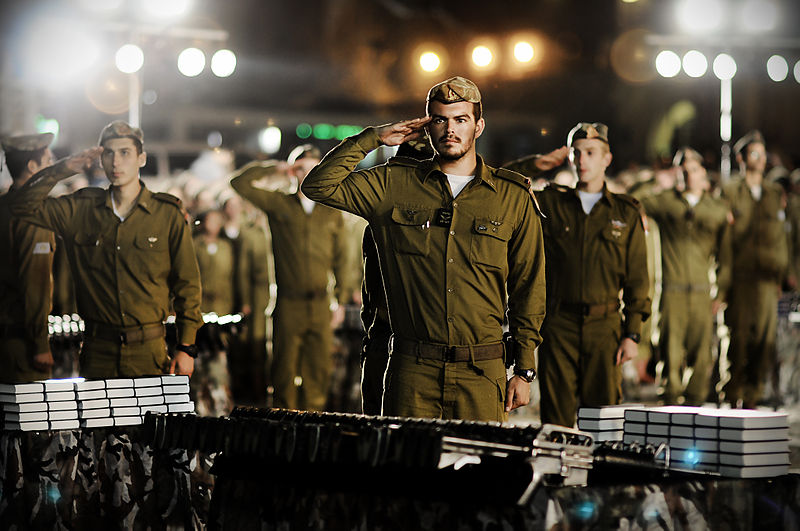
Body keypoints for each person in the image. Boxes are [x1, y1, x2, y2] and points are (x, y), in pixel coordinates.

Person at [301, 76, 546, 422]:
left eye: (461, 119)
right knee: (406, 474)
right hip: (412, 372)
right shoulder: (393, 185)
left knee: (478, 472)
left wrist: (524, 368)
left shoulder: (512, 197)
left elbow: (529, 286)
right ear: (427, 126)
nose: (450, 129)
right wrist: (373, 138)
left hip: (481, 370)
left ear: (479, 126)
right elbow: (318, 185)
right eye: (440, 119)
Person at [8, 121, 202, 378]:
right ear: (100, 159)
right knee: (98, 419)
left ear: (141, 159)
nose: (115, 162)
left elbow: (187, 284)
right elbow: (21, 205)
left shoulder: (166, 215)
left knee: (146, 419)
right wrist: (62, 169)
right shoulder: (80, 209)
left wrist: (186, 346)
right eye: (108, 153)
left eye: (125, 153)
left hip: (149, 350)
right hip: (98, 351)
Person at [536, 122, 650, 428]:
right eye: (576, 153)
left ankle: (600, 478)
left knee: (603, 421)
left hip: (605, 327)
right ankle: (555, 476)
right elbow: (507, 186)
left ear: (606, 159)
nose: (582, 160)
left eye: (590, 152)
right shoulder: (550, 205)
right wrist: (536, 164)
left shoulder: (626, 213)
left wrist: (632, 333)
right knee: (555, 422)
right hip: (558, 327)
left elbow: (638, 278)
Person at [230, 146, 349, 411]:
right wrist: (274, 168)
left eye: (313, 169)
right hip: (288, 304)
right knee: (283, 375)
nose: (307, 175)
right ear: (292, 172)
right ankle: (283, 437)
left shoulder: (331, 210)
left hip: (320, 304)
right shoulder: (279, 203)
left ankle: (313, 435)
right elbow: (239, 183)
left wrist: (340, 300)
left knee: (318, 375)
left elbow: (342, 257)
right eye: (301, 169)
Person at [639, 147, 732, 405]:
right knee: (669, 353)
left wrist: (721, 291)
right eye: (682, 169)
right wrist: (656, 180)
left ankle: (695, 407)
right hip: (671, 291)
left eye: (692, 169)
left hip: (702, 292)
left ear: (703, 174)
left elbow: (725, 256)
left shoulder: (716, 209)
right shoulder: (665, 201)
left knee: (702, 355)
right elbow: (633, 201)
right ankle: (669, 404)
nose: (687, 174)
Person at [721, 130, 789, 408]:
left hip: (766, 279)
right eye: (754, 154)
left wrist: (782, 276)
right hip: (740, 277)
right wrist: (723, 284)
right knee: (737, 338)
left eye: (763, 154)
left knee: (764, 341)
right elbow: (725, 241)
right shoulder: (730, 191)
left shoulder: (774, 194)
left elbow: (780, 238)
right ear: (741, 158)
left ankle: (753, 397)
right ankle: (732, 392)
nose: (760, 160)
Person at [0, 133, 57, 383]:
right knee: (27, 417)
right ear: (33, 167)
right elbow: (36, 282)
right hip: (21, 345)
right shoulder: (33, 215)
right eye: (48, 160)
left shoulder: (4, 207)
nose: (53, 166)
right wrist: (40, 343)